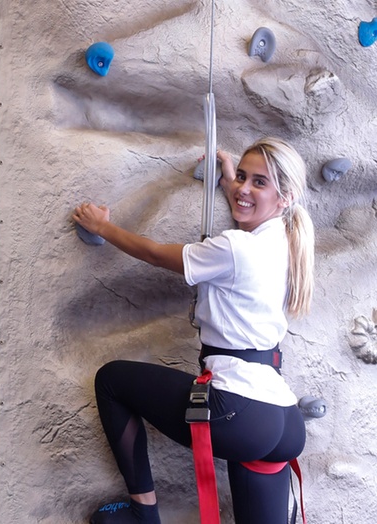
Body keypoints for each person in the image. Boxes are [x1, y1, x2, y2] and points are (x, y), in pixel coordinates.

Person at [72, 137, 314, 524]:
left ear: (283, 197)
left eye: (259, 183)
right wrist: (230, 182)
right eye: (243, 178)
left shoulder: (237, 247)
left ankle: (142, 513)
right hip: (282, 422)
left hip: (239, 410)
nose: (245, 189)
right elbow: (246, 228)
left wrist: (103, 226)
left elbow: (154, 253)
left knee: (112, 381)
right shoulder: (286, 242)